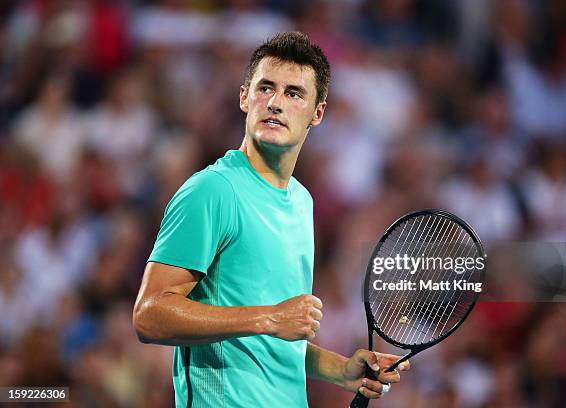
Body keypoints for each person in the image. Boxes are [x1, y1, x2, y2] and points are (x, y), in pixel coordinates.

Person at [133, 31, 409, 408]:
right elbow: (149, 315)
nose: (276, 103)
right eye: (265, 88)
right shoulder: (212, 192)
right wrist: (269, 317)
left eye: (294, 93)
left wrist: (338, 368)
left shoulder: (301, 202)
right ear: (244, 97)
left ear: (318, 112)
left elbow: (271, 337)